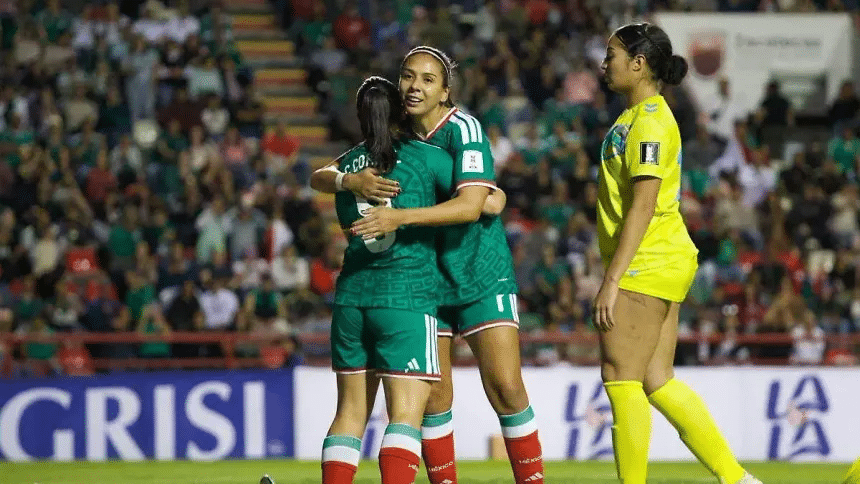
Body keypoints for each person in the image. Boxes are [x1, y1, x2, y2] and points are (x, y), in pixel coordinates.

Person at [317, 46, 544, 484]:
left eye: (426, 79)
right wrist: (348, 179)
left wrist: (403, 215)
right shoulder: (395, 138)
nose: (415, 86)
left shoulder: (463, 128)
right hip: (425, 279)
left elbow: (475, 204)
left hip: (479, 270)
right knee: (434, 397)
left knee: (506, 387)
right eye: (407, 76)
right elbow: (326, 172)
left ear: (445, 91)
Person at [595, 23, 761, 484]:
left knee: (620, 376)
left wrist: (611, 279)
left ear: (638, 63)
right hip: (663, 258)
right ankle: (737, 478)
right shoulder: (636, 117)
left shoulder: (648, 119)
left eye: (611, 54)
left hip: (646, 261)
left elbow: (644, 204)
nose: (603, 63)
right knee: (656, 380)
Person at [310, 76, 455, 484]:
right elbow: (476, 194)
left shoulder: (348, 165)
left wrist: (347, 181)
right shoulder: (425, 157)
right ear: (401, 110)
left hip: (353, 295)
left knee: (350, 414)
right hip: (406, 294)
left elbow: (318, 176)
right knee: (406, 414)